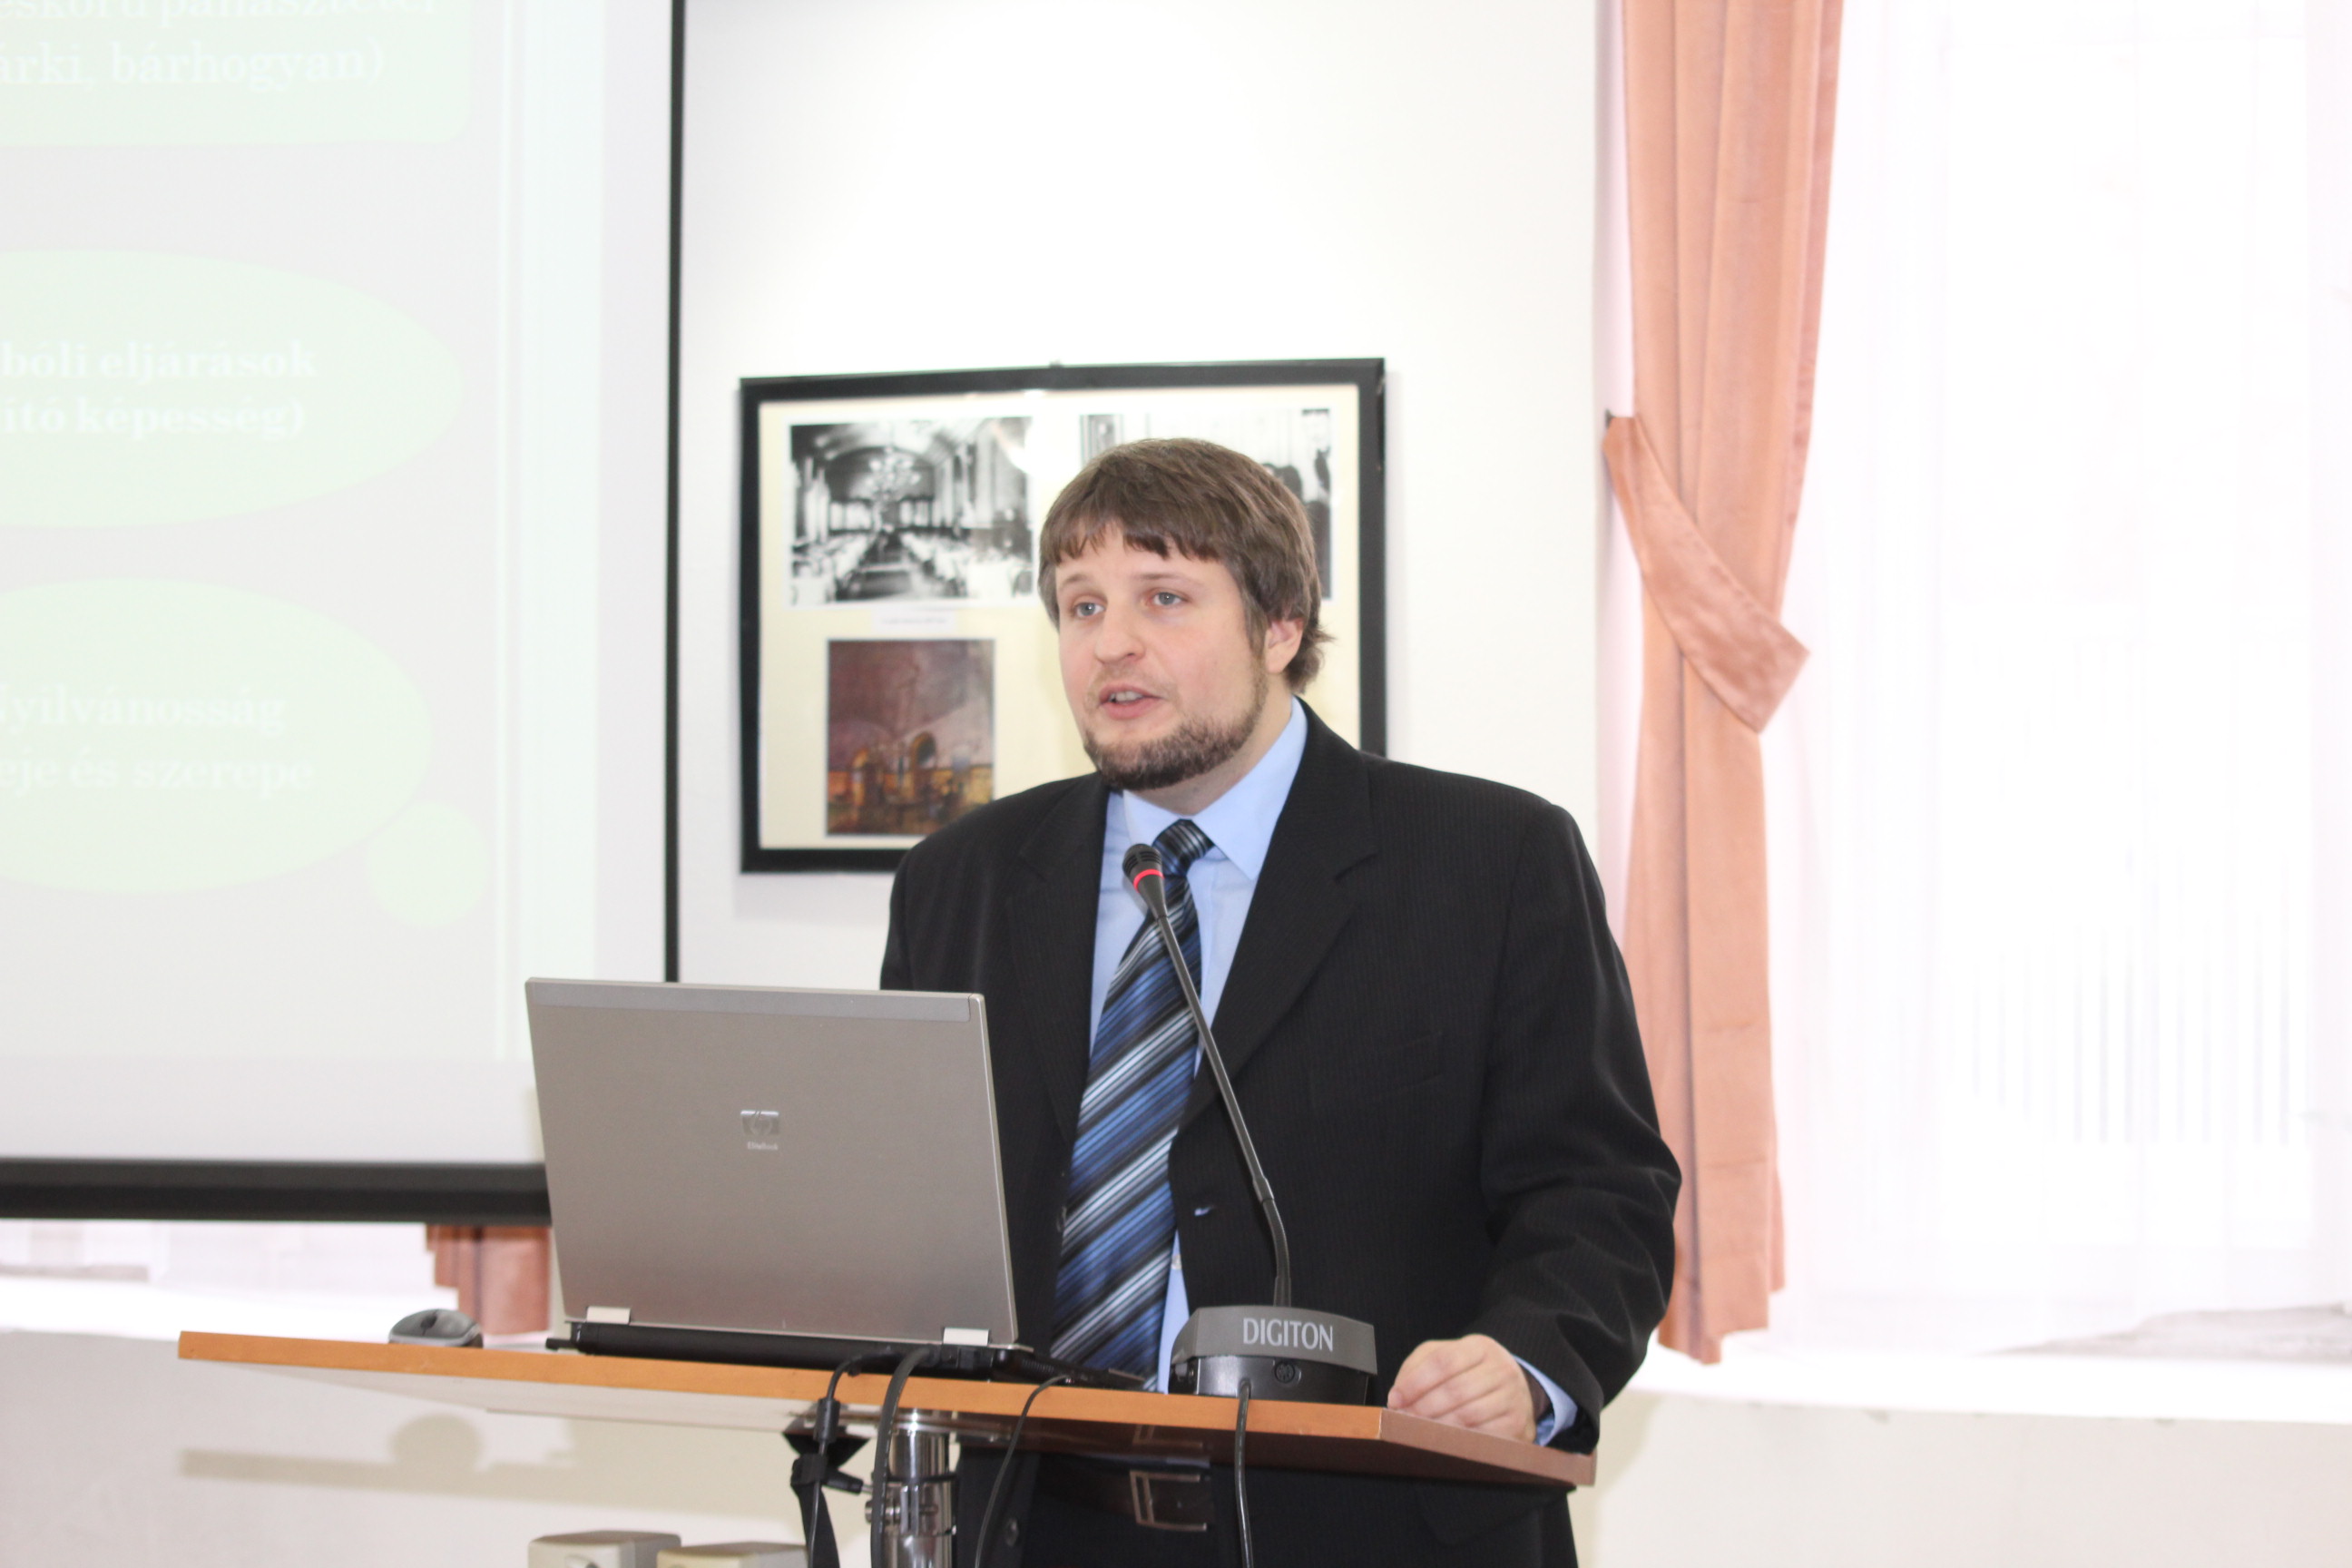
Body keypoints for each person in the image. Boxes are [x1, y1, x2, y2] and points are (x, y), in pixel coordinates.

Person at [880, 437, 1678, 1568]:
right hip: (1028, 1524)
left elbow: (1602, 1192)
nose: (1112, 642)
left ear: (1281, 626)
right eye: (1082, 604)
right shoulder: (963, 879)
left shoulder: (1489, 862)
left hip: (1371, 1527)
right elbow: (913, 1204)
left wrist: (1526, 1363)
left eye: (1164, 597)